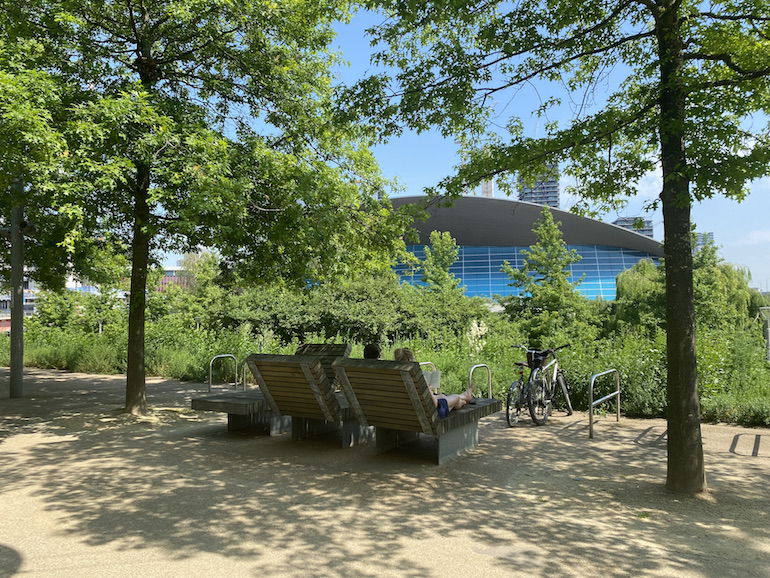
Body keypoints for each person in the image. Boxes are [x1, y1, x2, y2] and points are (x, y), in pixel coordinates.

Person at [393, 347, 474, 418]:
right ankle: (465, 397)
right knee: (455, 398)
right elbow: (435, 404)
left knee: (442, 396)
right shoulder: (417, 377)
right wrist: (429, 389)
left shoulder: (394, 377)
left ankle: (465, 397)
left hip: (408, 412)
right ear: (410, 360)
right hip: (428, 414)